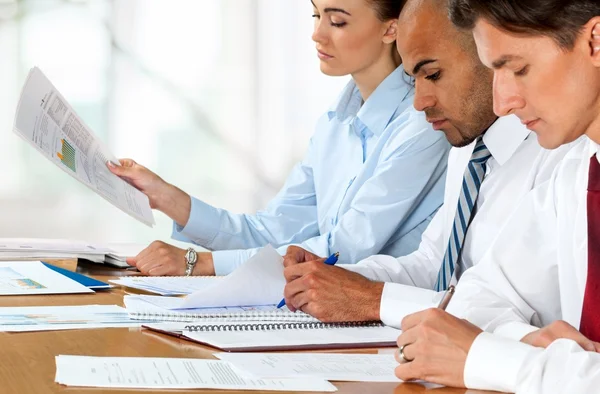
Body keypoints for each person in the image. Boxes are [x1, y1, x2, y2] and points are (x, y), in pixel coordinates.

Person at [279, 0, 575, 324]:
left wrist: (373, 300)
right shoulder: (469, 148)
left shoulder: (557, 154)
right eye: (413, 81)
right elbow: (431, 265)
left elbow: (506, 309)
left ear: (489, 56)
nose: (419, 103)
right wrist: (332, 278)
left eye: (432, 75)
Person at [107, 0, 450, 277]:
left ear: (391, 29)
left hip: (390, 323)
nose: (317, 34)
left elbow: (344, 248)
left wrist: (199, 263)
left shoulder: (423, 121)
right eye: (316, 15)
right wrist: (165, 196)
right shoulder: (333, 124)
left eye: (337, 21)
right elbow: (272, 231)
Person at [393, 0, 600, 393]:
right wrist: (524, 340)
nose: (502, 102)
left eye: (518, 68)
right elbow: (476, 297)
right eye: (494, 72)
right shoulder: (577, 172)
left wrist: (494, 359)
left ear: (595, 41)